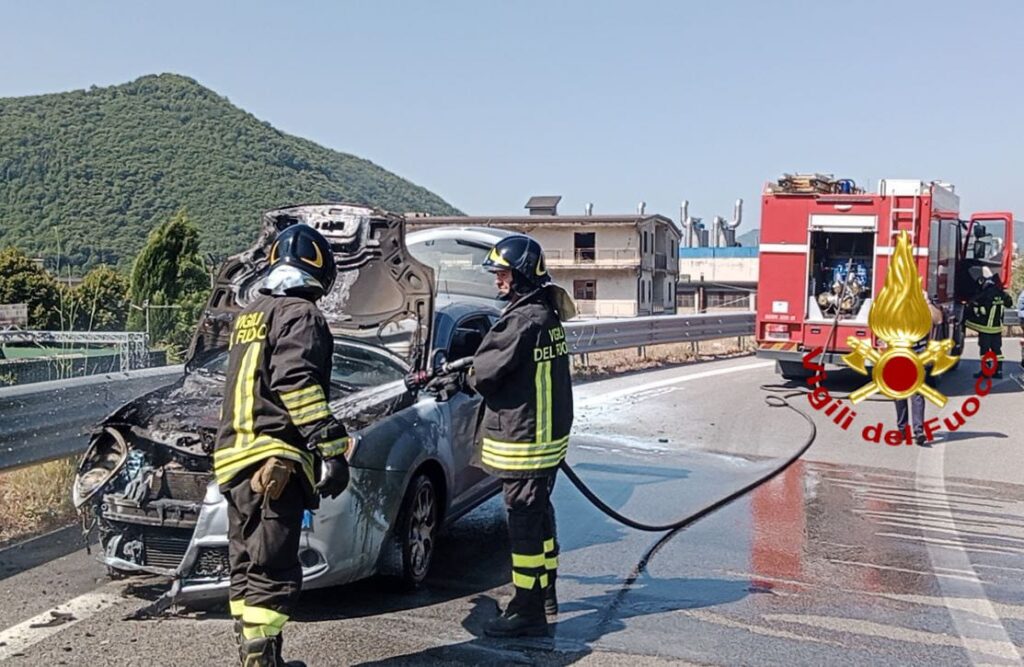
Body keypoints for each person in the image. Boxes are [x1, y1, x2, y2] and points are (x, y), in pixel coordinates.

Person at [215, 224, 352, 667]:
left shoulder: (250, 313)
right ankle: (261, 661)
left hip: (234, 459)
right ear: (319, 270)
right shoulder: (302, 314)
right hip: (274, 464)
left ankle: (255, 654)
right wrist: (330, 444)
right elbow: (296, 384)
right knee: (272, 567)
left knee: (246, 563)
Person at [471, 235, 576, 638]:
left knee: (523, 526)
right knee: (539, 514)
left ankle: (526, 607)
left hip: (524, 440)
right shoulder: (545, 315)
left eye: (502, 273)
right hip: (547, 438)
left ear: (520, 275)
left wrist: (462, 372)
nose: (498, 280)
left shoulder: (520, 322)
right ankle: (545, 590)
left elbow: (483, 374)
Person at [894, 295, 942, 447]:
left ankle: (918, 431)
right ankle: (902, 429)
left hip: (919, 350)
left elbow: (938, 319)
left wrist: (927, 301)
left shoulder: (923, 301)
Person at [965, 268, 1013, 379]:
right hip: (997, 328)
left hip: (985, 328)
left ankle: (986, 371)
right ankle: (999, 371)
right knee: (997, 350)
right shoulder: (1002, 294)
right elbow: (1009, 303)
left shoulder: (986, 293)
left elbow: (973, 301)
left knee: (984, 350)